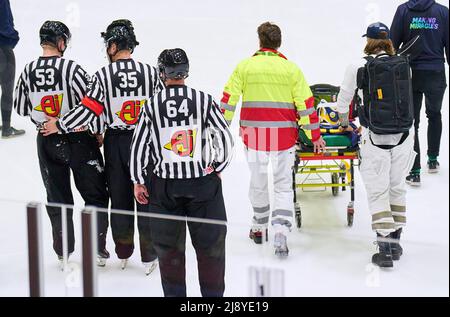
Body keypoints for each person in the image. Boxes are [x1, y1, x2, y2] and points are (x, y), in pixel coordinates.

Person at [41, 19, 162, 275]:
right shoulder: (151, 73)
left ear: (113, 46)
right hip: (145, 141)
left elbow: (89, 110)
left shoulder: (103, 75)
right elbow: (162, 109)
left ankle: (124, 251)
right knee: (147, 196)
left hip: (117, 141)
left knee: (119, 196)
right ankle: (150, 254)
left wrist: (61, 124)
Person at [130, 48, 234, 297]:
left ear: (162, 72)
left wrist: (138, 181)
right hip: (203, 186)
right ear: (185, 71)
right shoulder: (204, 99)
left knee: (169, 254)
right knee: (211, 251)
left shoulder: (151, 105)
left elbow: (139, 146)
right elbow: (225, 139)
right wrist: (217, 168)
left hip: (165, 188)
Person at [220, 22, 325, 257]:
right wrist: (314, 136)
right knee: (283, 186)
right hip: (283, 137)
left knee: (258, 182)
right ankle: (280, 232)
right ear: (279, 43)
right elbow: (306, 107)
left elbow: (229, 99)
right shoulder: (291, 70)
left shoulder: (245, 67)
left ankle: (259, 227)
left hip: (254, 135)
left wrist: (221, 127)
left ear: (260, 41)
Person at [13, 21, 109, 266]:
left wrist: (46, 119)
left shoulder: (28, 70)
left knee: (57, 196)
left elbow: (21, 107)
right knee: (95, 194)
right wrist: (97, 132)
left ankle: (63, 250)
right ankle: (97, 248)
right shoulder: (72, 69)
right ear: (61, 42)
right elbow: (92, 104)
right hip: (79, 138)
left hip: (46, 139)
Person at [337, 22, 416, 268]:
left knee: (377, 190)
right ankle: (397, 242)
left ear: (368, 41)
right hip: (404, 136)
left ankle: (384, 249)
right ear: (388, 41)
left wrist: (344, 123)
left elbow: (344, 101)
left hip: (374, 138)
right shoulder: (403, 65)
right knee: (397, 187)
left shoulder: (357, 66)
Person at [391, 0, 449, 186]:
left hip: (410, 73)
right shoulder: (443, 12)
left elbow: (392, 43)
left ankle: (414, 172)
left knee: (412, 122)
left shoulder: (403, 11)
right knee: (434, 114)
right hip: (435, 72)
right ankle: (432, 160)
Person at [0, 0, 25, 138]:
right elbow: (4, 21)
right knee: (7, 90)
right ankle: (6, 128)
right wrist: (13, 36)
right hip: (2, 48)